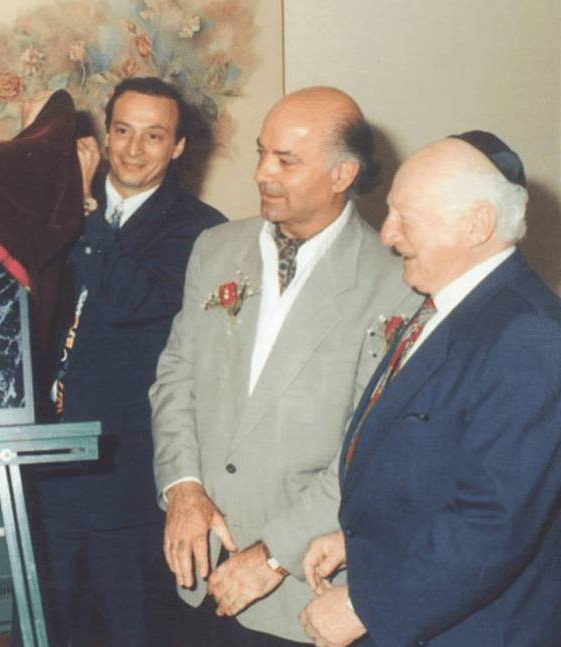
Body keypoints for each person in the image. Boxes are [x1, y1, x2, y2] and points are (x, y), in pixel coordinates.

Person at [149, 87, 419, 646]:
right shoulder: (215, 248)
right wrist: (182, 488)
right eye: (260, 152)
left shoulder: (395, 286)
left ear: (342, 174)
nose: (262, 173)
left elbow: (367, 453)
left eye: (285, 160)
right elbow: (175, 377)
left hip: (300, 591)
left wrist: (272, 556)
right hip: (195, 569)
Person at [299, 133, 561, 647]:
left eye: (406, 216)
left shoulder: (529, 332)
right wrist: (360, 542)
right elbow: (432, 466)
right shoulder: (452, 304)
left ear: (477, 225)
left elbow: (493, 522)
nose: (387, 234)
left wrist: (364, 605)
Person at [32, 77, 225, 647]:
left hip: (128, 483)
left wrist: (84, 205)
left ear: (179, 146)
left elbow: (132, 300)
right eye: (122, 131)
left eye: (154, 135)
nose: (133, 150)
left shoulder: (200, 229)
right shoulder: (51, 214)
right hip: (45, 475)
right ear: (106, 132)